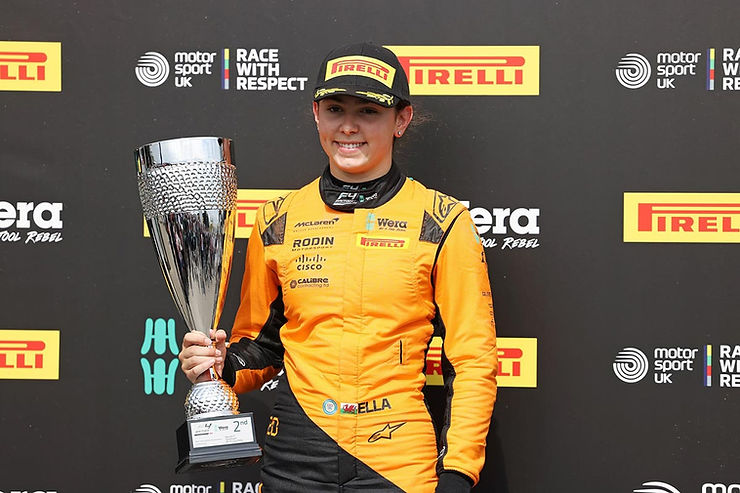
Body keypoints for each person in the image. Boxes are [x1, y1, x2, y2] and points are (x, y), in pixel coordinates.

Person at [179, 42, 497, 493]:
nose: (348, 126)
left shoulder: (442, 220)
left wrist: (460, 471)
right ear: (316, 114)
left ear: (401, 120)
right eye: (335, 109)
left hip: (395, 462)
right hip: (295, 459)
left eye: (368, 111)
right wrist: (221, 364)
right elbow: (263, 349)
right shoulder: (277, 219)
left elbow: (472, 360)